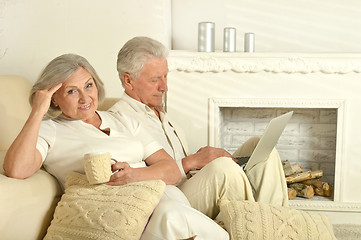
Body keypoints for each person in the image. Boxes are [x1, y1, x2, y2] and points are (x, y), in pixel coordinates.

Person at [3, 53, 229, 240]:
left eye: (88, 86)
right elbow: (17, 170)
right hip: (121, 211)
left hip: (161, 196)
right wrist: (37, 112)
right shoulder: (50, 129)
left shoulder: (122, 120)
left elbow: (170, 170)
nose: (85, 98)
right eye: (72, 91)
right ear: (53, 98)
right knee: (172, 217)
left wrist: (134, 175)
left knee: (174, 212)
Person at [109, 36, 289, 220]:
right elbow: (137, 177)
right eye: (155, 79)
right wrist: (193, 161)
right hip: (171, 200)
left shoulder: (160, 113)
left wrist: (202, 159)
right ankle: (259, 226)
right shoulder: (120, 119)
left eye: (165, 77)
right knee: (224, 169)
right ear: (129, 81)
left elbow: (177, 161)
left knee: (260, 148)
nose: (165, 87)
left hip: (190, 183)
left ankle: (275, 222)